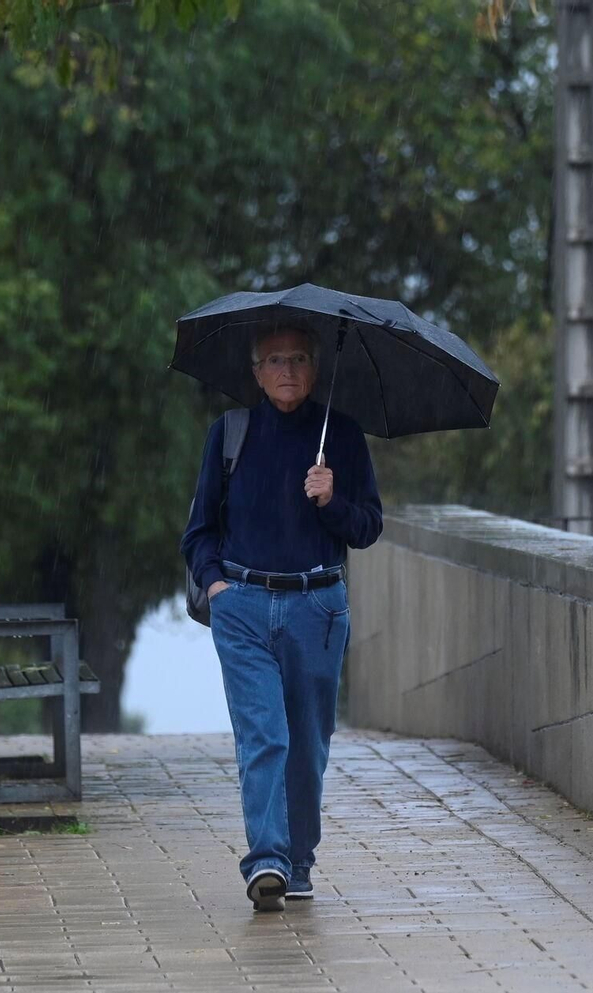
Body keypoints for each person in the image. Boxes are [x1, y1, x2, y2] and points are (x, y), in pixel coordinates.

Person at [180, 324, 383, 912]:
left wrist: (331, 500)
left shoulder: (341, 435)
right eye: (275, 360)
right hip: (241, 604)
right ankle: (265, 858)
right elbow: (199, 533)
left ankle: (298, 861)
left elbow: (368, 526)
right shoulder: (230, 434)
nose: (287, 370)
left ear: (315, 370)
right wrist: (217, 586)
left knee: (307, 743)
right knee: (263, 733)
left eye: (298, 359)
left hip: (317, 606)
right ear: (256, 372)